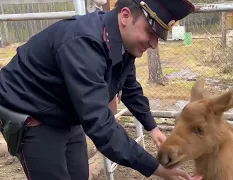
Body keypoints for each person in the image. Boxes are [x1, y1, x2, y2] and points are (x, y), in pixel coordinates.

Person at [0, 0, 198, 180]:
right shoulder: (84, 43)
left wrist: (152, 128)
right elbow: (100, 125)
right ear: (125, 16)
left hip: (67, 109)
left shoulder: (121, 43)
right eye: (150, 32)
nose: (154, 44)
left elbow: (129, 88)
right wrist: (156, 168)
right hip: (33, 112)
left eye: (159, 36)